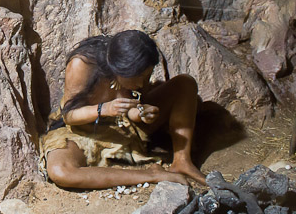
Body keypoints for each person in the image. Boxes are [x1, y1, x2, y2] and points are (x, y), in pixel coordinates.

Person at [42, 30, 206, 189]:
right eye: (139, 78)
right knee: (60, 172)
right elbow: (69, 116)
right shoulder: (82, 65)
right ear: (122, 69)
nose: (142, 83)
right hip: (82, 130)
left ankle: (182, 161)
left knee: (185, 83)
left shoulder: (136, 69)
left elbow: (131, 107)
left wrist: (142, 113)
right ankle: (152, 175)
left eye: (146, 76)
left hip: (125, 129)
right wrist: (104, 109)